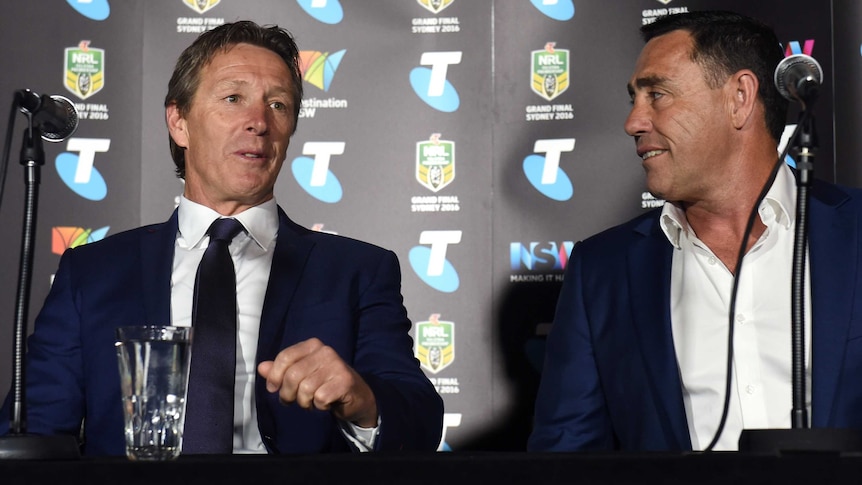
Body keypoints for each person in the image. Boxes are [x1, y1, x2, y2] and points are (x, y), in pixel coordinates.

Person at [0, 20, 443, 455]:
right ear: (179, 122)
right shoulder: (92, 273)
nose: (259, 122)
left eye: (279, 105)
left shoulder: (356, 271)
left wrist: (361, 400)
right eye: (233, 98)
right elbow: (35, 432)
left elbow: (419, 423)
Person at [529, 10, 862, 452]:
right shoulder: (602, 272)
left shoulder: (854, 231)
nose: (633, 122)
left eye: (658, 95)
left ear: (739, 97)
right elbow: (565, 456)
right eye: (634, 99)